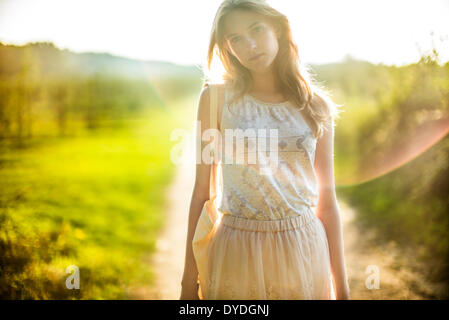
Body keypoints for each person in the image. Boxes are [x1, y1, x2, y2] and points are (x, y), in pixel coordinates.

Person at [180, 0, 350, 300]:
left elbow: (327, 203)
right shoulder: (215, 100)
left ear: (279, 29)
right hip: (236, 250)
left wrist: (343, 291)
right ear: (226, 47)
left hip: (303, 248)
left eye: (256, 29)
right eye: (235, 39)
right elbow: (200, 194)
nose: (250, 45)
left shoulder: (315, 106)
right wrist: (187, 285)